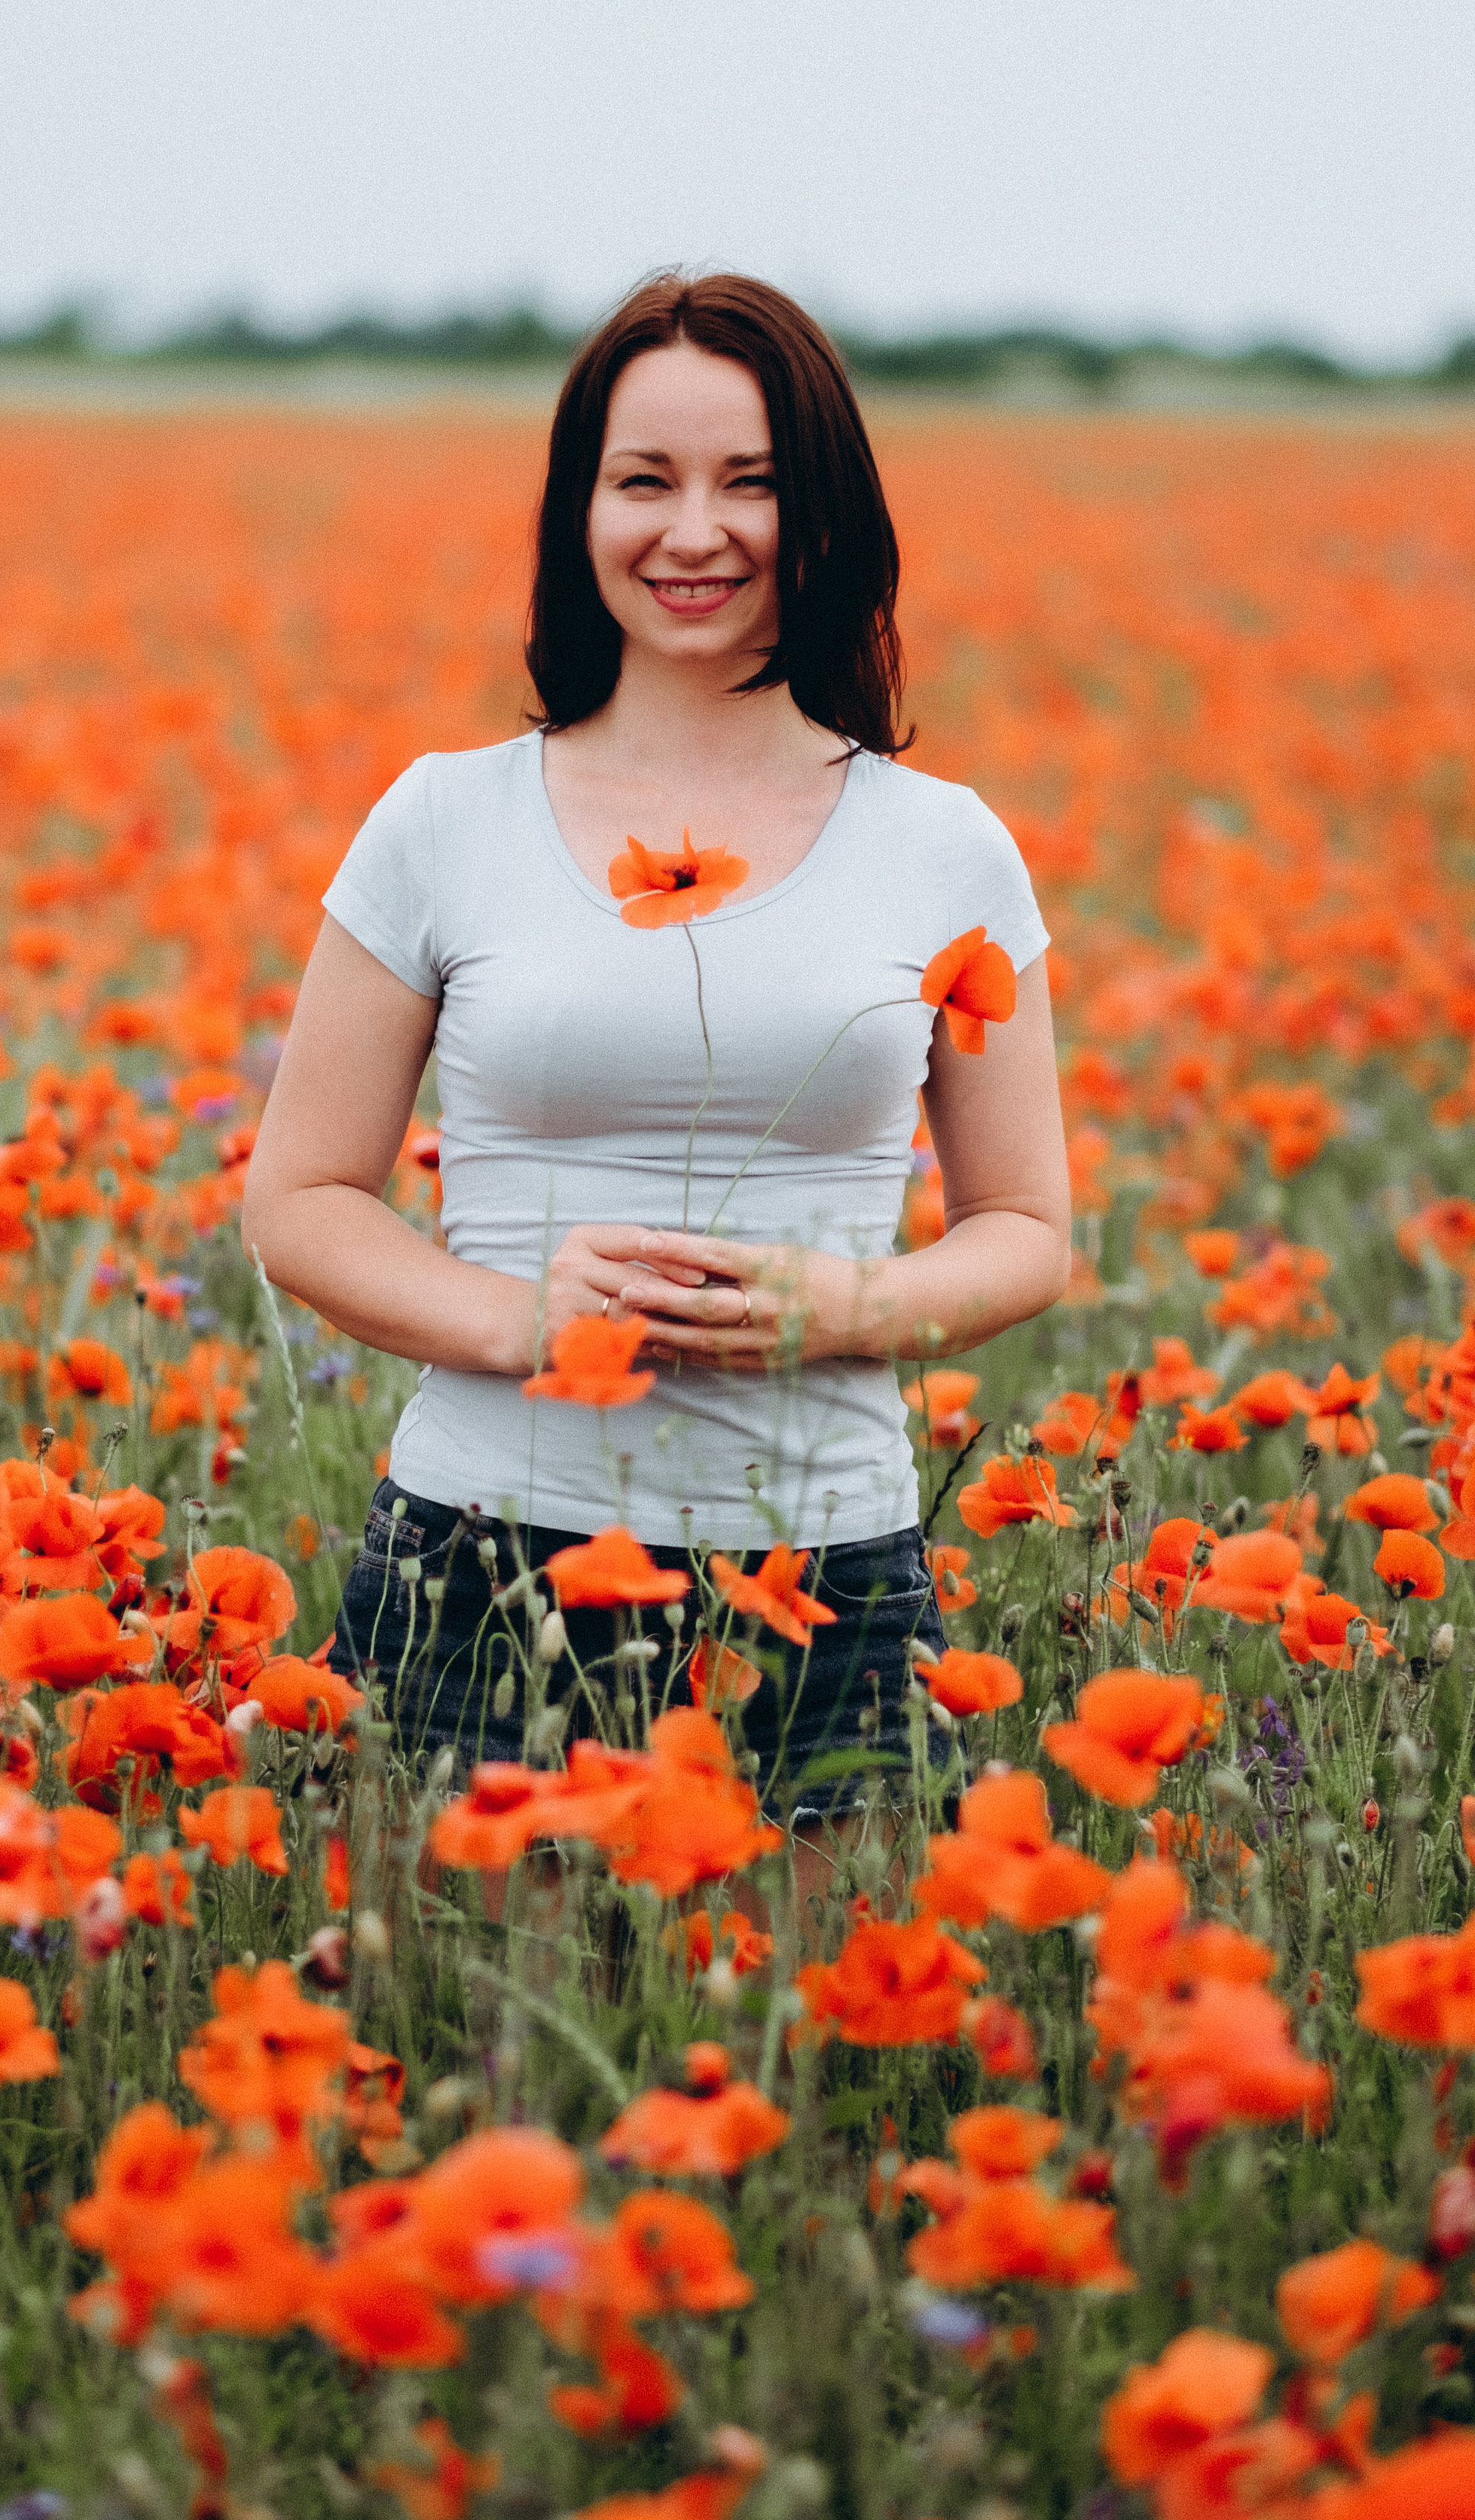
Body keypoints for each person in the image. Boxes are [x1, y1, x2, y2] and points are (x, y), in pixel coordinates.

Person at [241, 271, 1070, 1801]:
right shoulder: (444, 819)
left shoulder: (942, 848)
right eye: (645, 482)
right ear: (580, 512)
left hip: (820, 1558)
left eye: (749, 483)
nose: (694, 532)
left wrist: (851, 1303)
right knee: (484, 2041)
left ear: (823, 513)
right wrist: (518, 1325)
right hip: (485, 1548)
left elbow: (1025, 1228)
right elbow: (294, 1201)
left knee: (798, 2041)